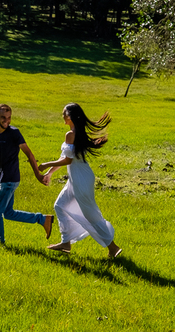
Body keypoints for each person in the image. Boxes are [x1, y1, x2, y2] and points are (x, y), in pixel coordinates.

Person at [37, 103, 123, 258]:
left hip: (80, 178)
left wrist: (46, 164)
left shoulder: (71, 134)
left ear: (70, 116)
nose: (62, 116)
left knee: (90, 215)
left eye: (64, 113)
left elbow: (67, 160)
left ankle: (113, 247)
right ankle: (66, 242)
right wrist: (49, 173)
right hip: (77, 177)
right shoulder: (76, 133)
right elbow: (64, 158)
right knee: (60, 205)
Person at [0, 104, 54, 245]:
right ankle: (43, 219)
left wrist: (38, 175)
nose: (6, 120)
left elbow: (29, 154)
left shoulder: (14, 133)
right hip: (3, 179)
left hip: (11, 179)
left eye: (9, 117)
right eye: (3, 117)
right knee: (8, 213)